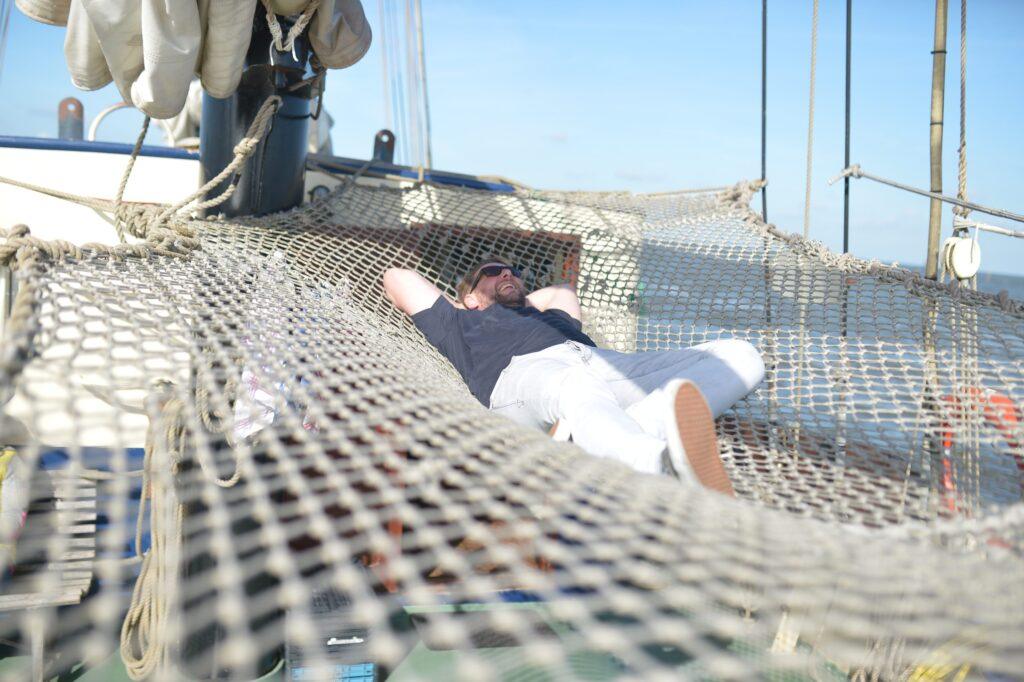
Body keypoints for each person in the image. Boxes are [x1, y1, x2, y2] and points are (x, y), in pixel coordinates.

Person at [382, 258, 765, 495]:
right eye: (494, 271)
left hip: (600, 365)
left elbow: (561, 291)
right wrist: (466, 304)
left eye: (514, 271)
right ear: (469, 296)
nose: (508, 273)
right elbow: (396, 278)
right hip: (521, 377)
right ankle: (651, 463)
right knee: (575, 385)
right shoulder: (458, 322)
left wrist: (515, 296)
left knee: (741, 356)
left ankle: (611, 435)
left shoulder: (549, 317)